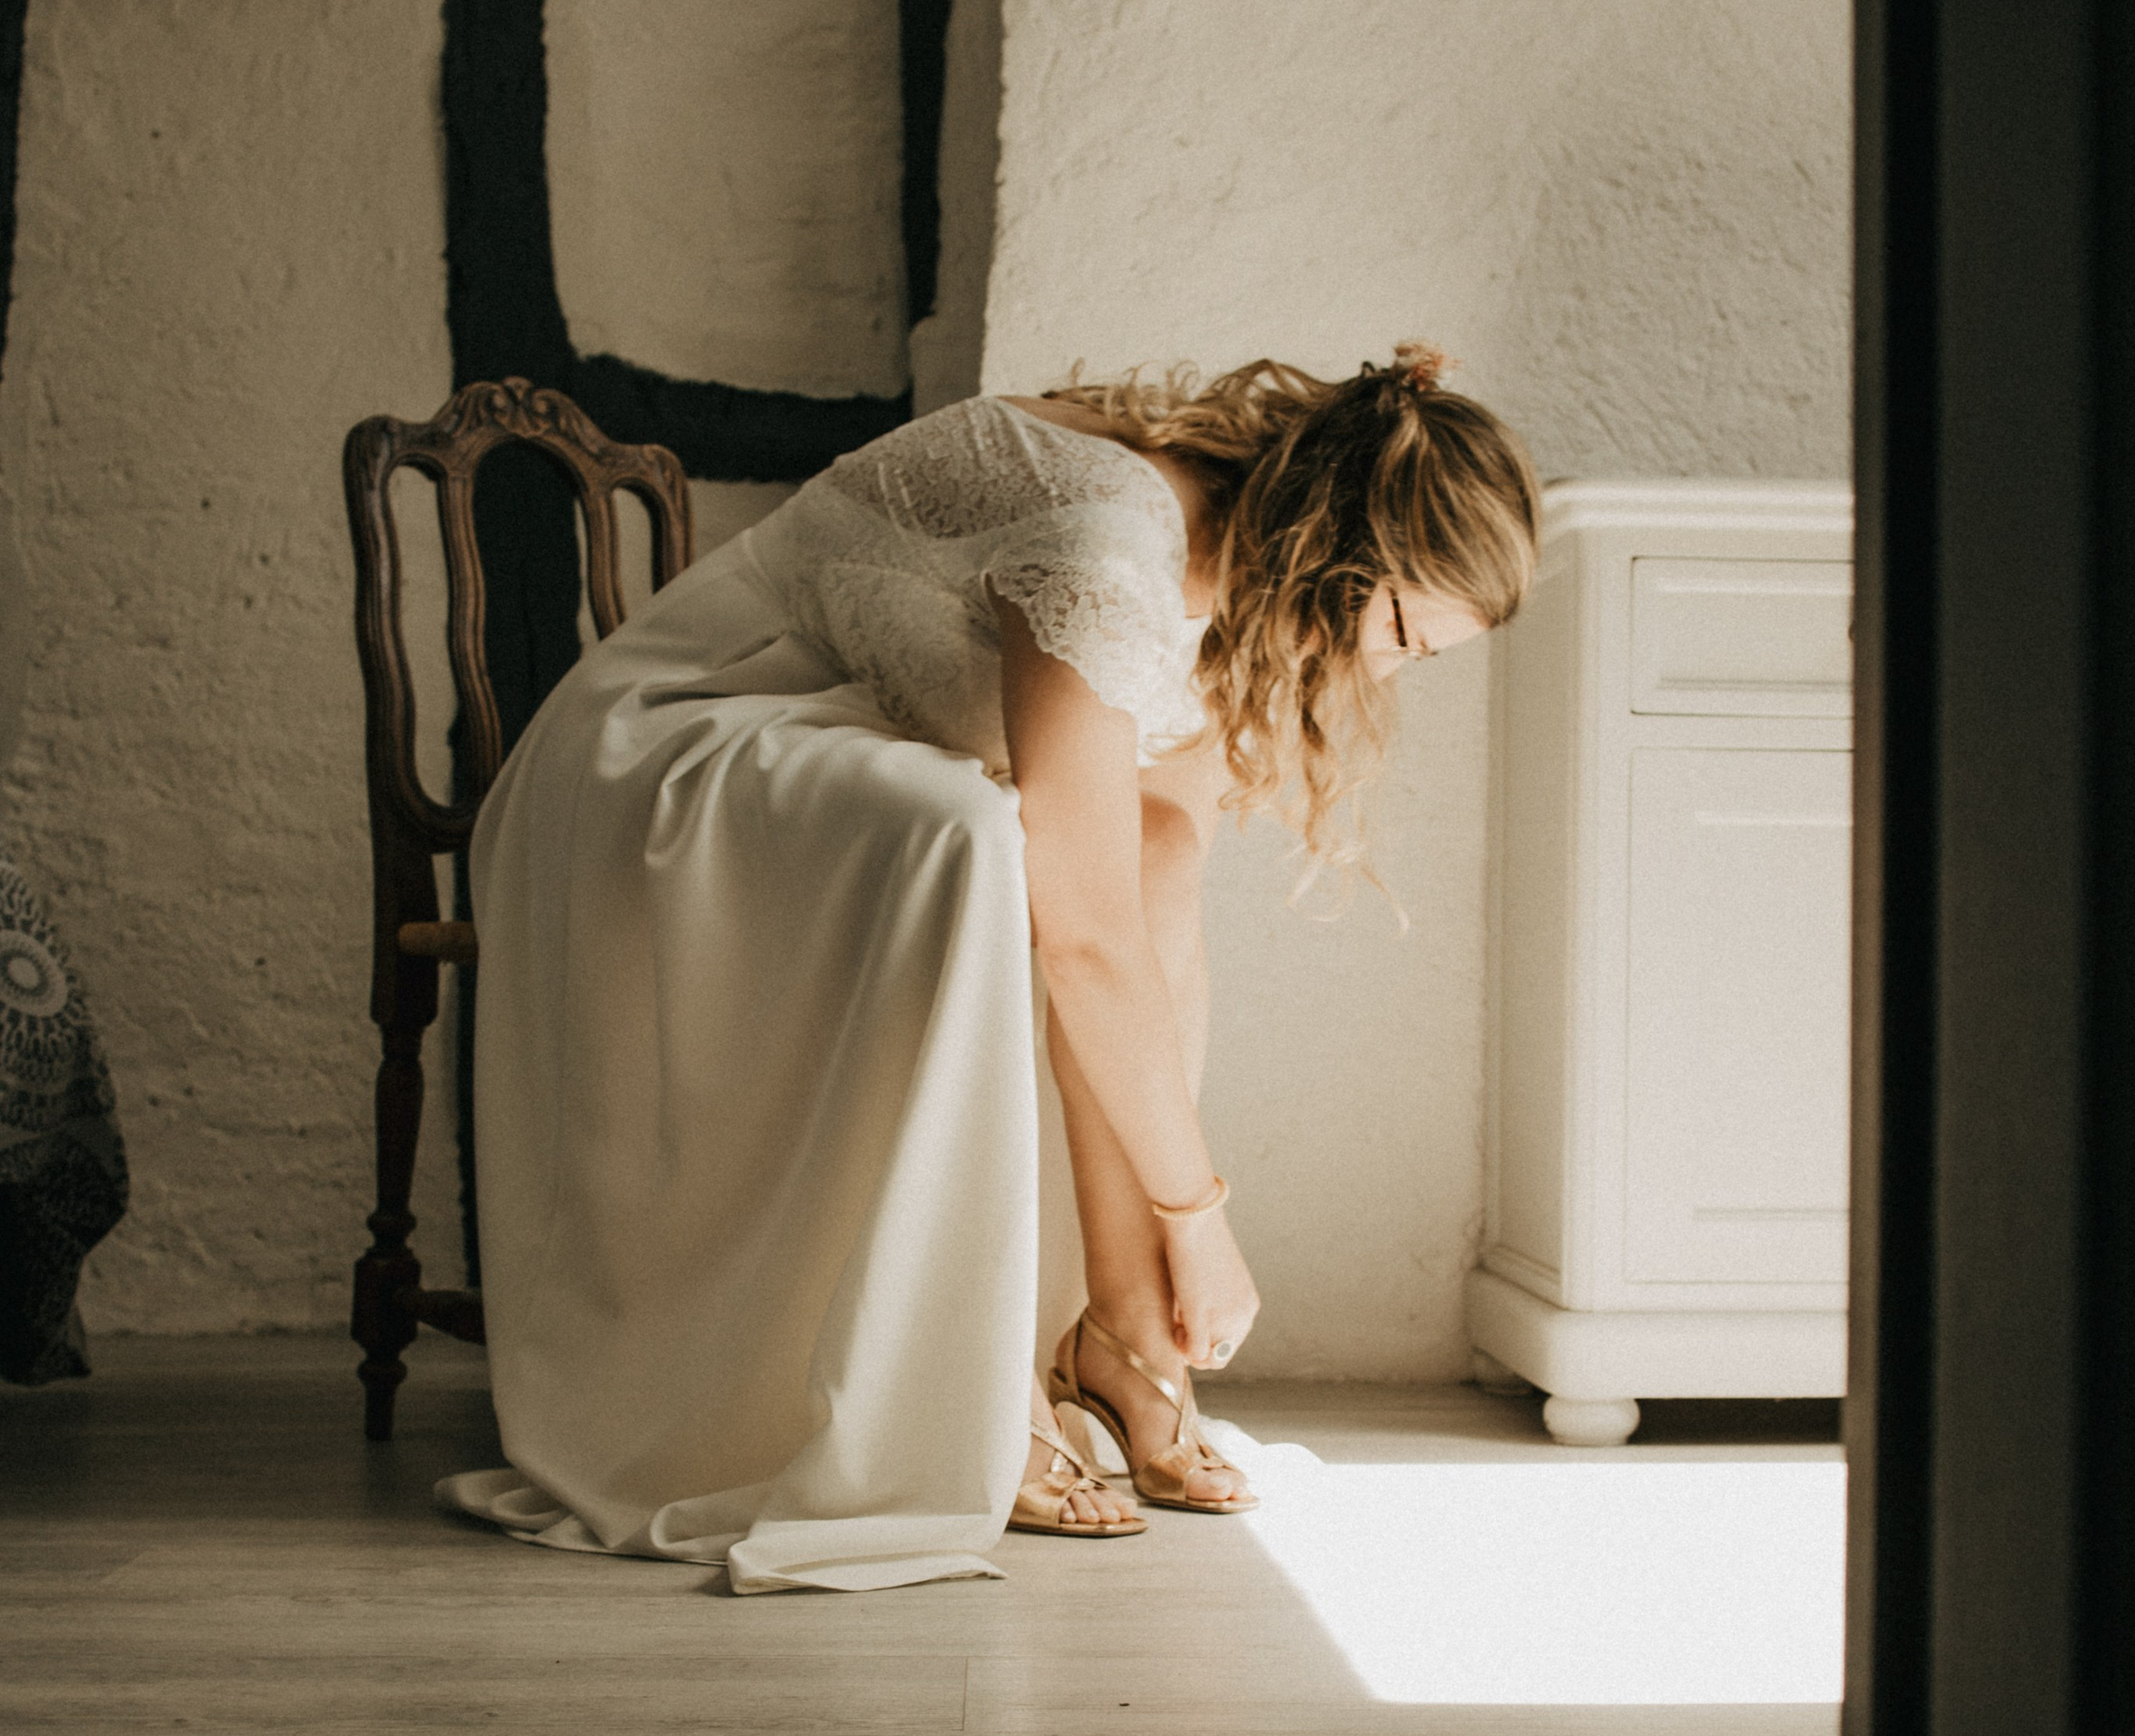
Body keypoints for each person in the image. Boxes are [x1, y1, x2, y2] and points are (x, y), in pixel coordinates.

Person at [438, 349, 1540, 1592]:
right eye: (1396, 628)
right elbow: (1081, 932)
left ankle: (1112, 1342)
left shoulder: (1230, 572)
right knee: (972, 834)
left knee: (1155, 846)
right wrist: (1206, 1224)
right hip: (669, 746)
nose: (1385, 671)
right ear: (1333, 550)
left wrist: (1145, 1289)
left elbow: (1140, 891)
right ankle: (983, 1363)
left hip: (833, 759)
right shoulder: (1112, 542)